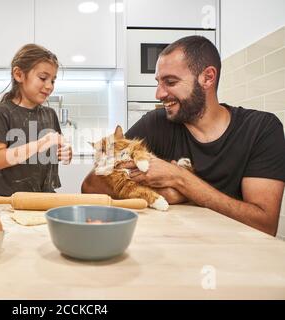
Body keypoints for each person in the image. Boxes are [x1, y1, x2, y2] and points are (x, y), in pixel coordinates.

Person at [82, 36, 285, 236]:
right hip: (170, 249)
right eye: (158, 82)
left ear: (207, 77)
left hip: (235, 255)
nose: (159, 94)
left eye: (170, 82)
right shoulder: (155, 123)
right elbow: (90, 186)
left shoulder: (261, 128)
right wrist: (158, 193)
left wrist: (180, 179)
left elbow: (264, 224)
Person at [0, 44, 72, 196]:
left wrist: (65, 152)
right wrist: (40, 144)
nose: (49, 86)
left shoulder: (50, 114)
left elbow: (57, 150)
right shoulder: (1, 112)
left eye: (53, 80)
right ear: (19, 74)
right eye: (43, 78)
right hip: (12, 200)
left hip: (46, 197)